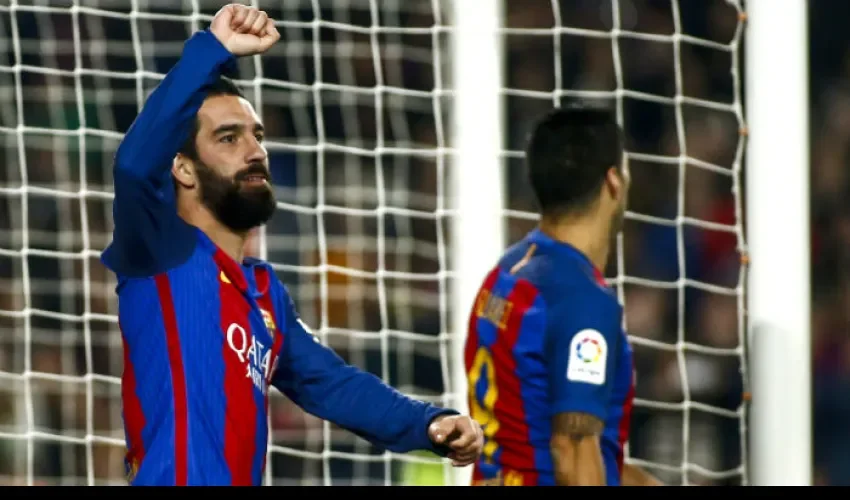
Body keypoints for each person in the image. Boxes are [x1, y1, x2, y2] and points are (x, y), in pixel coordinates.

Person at [101, 4, 482, 486]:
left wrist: (428, 422)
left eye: (257, 136)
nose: (255, 151)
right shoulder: (162, 250)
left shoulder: (264, 293)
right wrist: (213, 49)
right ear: (183, 168)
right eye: (228, 138)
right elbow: (134, 167)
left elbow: (332, 384)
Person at [464, 107, 661, 486]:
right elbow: (571, 454)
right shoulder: (582, 302)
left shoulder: (506, 273)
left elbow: (577, 452)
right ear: (613, 181)